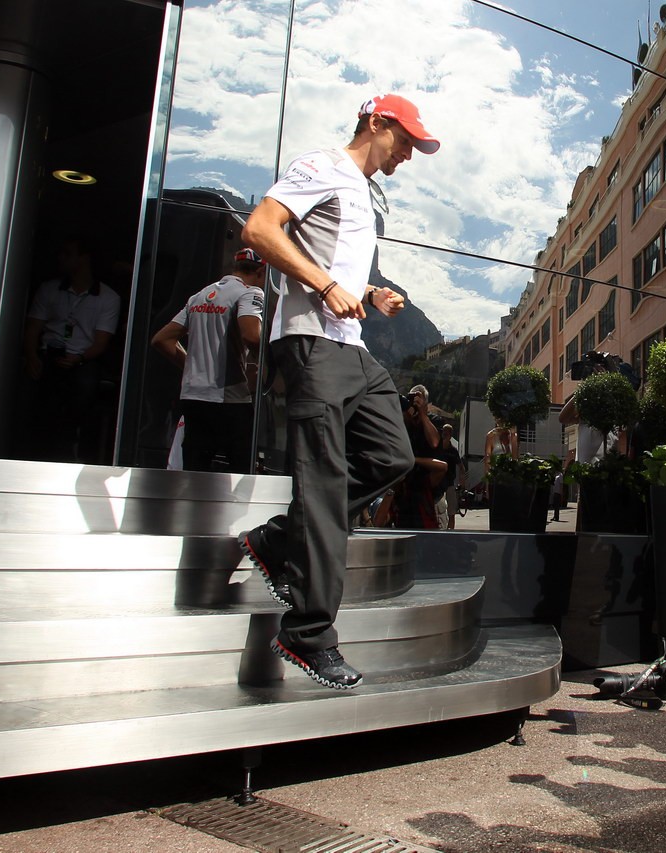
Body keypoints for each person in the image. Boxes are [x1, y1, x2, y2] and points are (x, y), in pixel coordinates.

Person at [236, 93, 439, 689]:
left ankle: (277, 538)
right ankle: (306, 634)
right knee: (324, 486)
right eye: (405, 141)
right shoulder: (322, 166)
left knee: (392, 456)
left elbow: (338, 263)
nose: (407, 155)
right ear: (376, 123)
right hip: (310, 344)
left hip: (352, 348)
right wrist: (326, 286)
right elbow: (261, 229)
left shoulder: (361, 192)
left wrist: (370, 294)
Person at [150, 248, 266, 472]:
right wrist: (269, 358)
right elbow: (251, 335)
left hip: (193, 396)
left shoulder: (200, 295)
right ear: (261, 272)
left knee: (194, 472)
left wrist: (193, 367)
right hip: (229, 399)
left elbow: (162, 339)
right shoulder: (250, 293)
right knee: (241, 474)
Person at [23, 236, 122, 462]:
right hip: (48, 353)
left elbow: (100, 343)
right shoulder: (50, 290)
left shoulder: (107, 297)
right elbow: (32, 328)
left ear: (84, 258)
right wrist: (31, 356)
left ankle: (72, 443)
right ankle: (31, 447)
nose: (61, 258)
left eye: (68, 253)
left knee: (86, 384)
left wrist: (78, 358)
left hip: (83, 359)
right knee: (32, 383)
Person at [394, 384, 445, 529]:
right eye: (412, 398)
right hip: (406, 485)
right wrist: (406, 416)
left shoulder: (434, 420)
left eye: (418, 399)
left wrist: (423, 415)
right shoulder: (406, 422)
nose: (415, 402)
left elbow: (434, 442)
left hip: (429, 486)